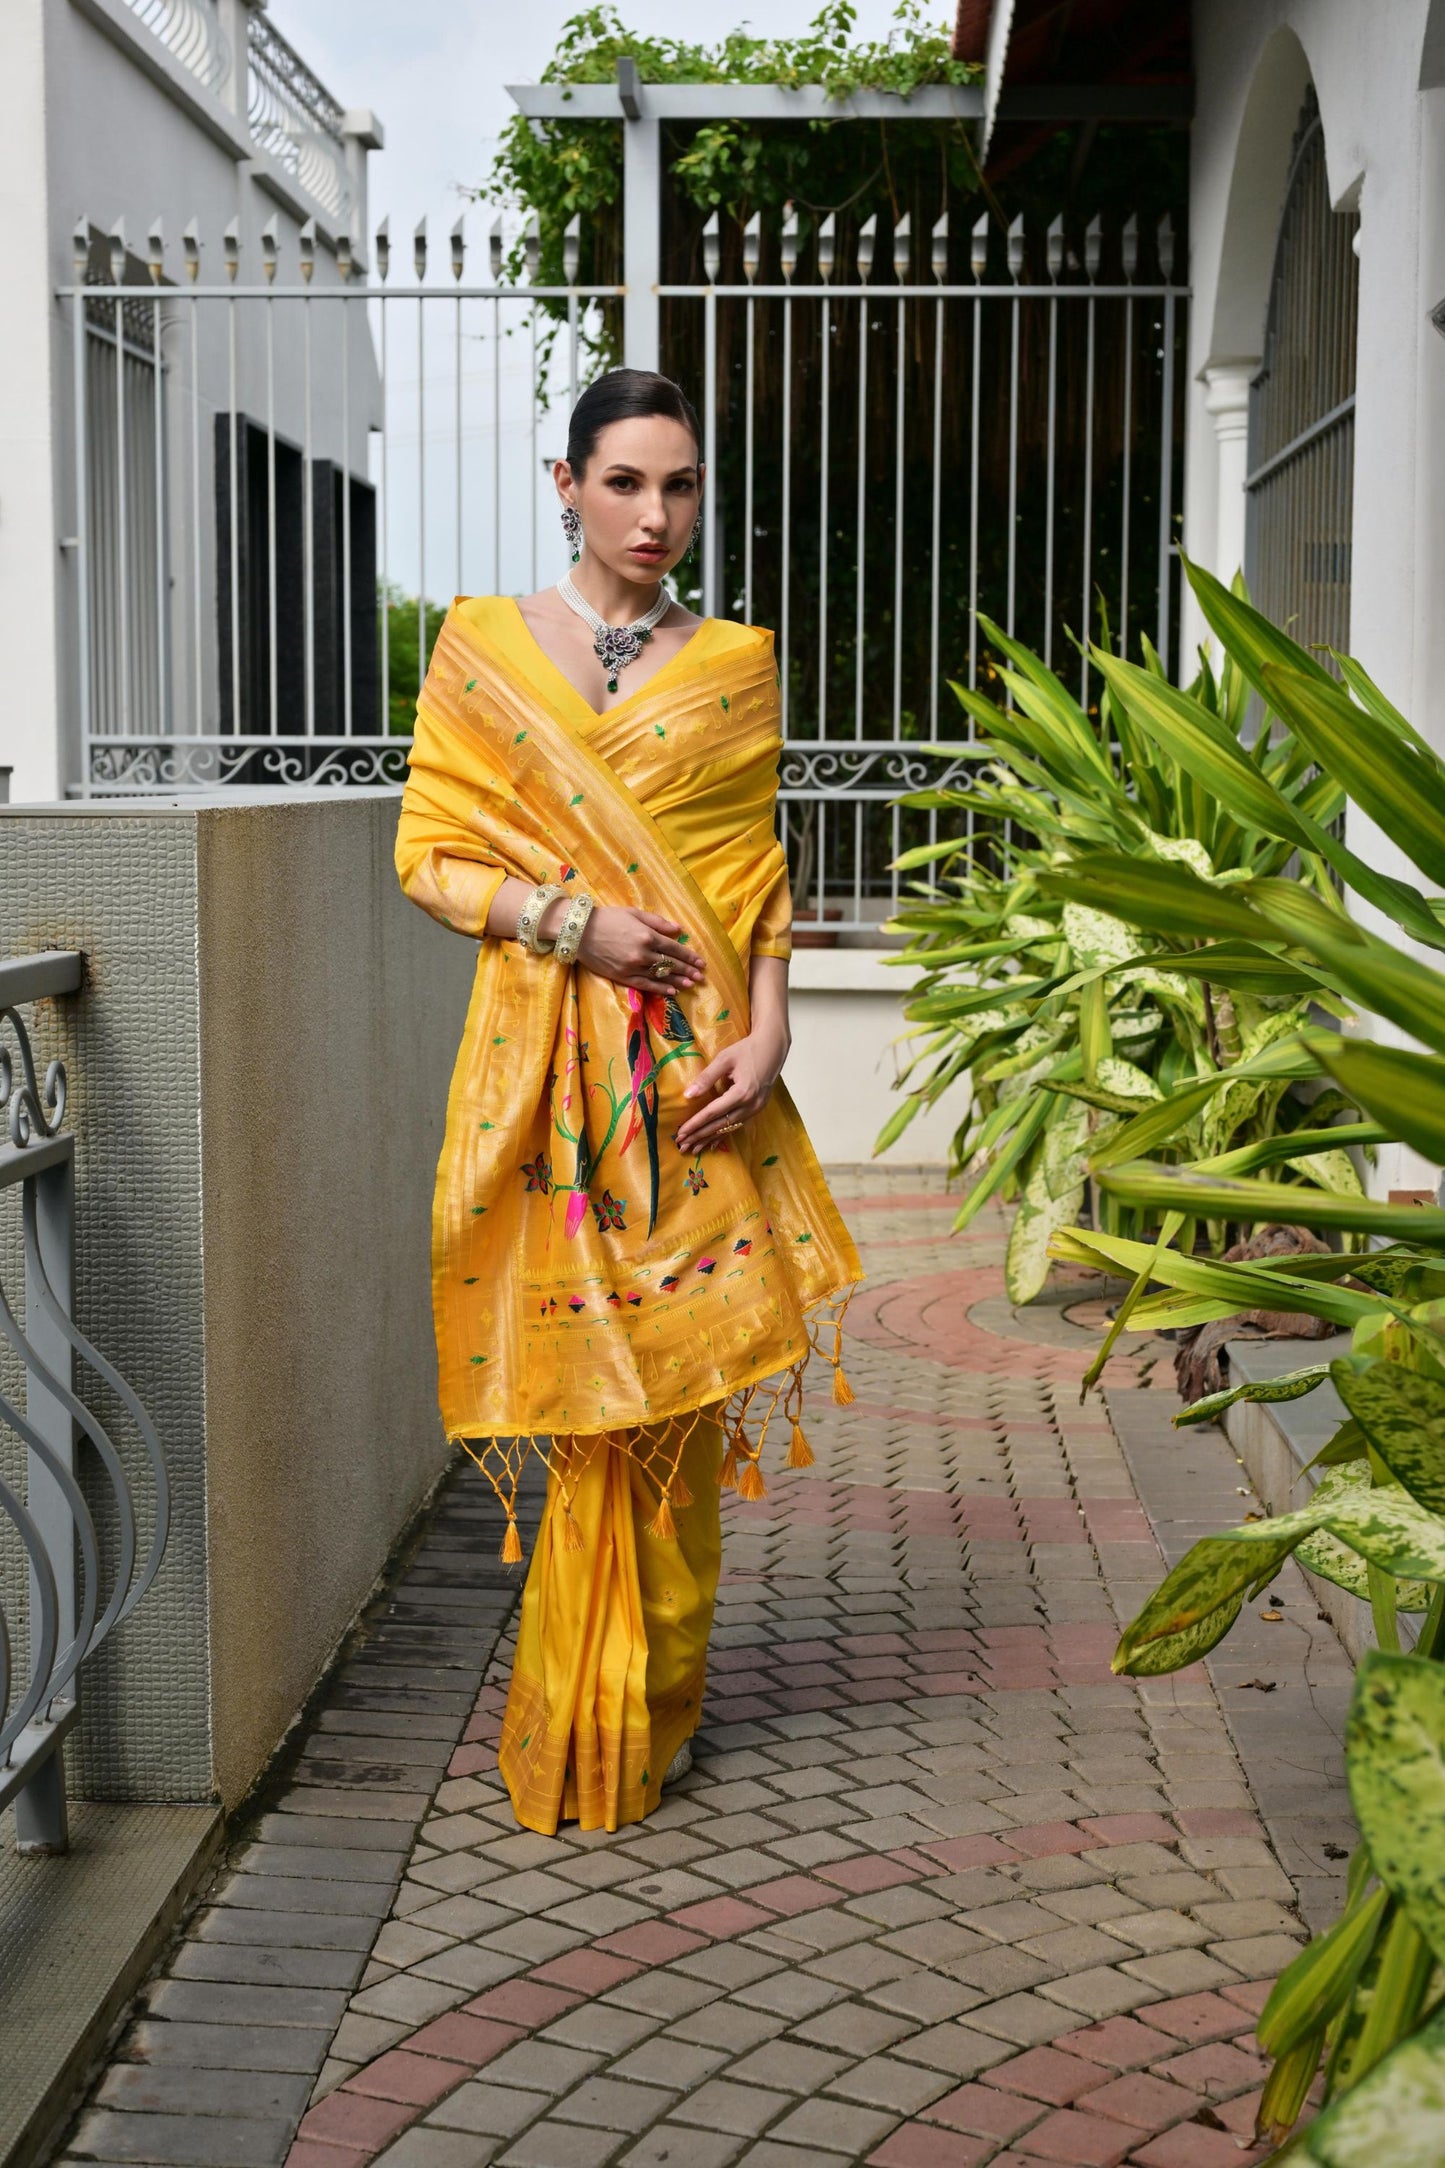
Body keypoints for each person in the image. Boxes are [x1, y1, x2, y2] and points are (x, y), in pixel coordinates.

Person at [395, 366, 863, 1837]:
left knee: (672, 1389)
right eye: (624, 483)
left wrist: (774, 1032)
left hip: (694, 1089)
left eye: (679, 486)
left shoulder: (732, 663)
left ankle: (651, 1704)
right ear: (565, 483)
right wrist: (566, 923)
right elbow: (426, 853)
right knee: (588, 1405)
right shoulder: (481, 652)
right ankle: (576, 1716)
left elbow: (757, 877)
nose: (655, 515)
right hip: (548, 1084)